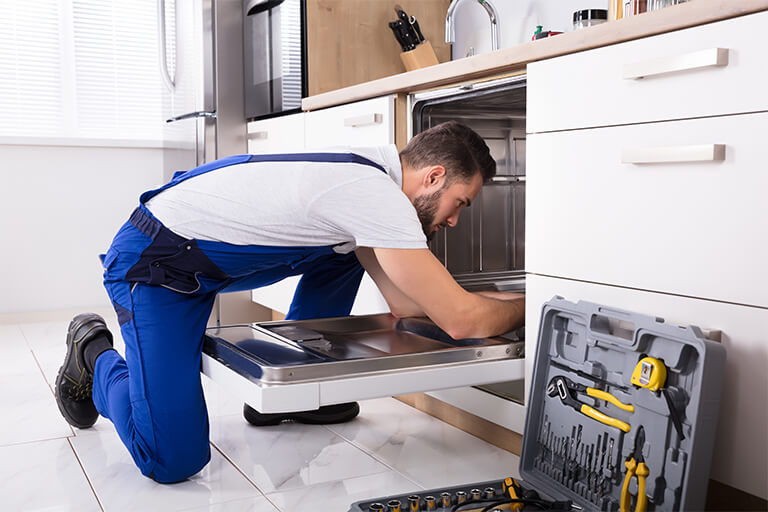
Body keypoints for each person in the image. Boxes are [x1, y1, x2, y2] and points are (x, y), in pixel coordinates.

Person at [54, 121, 525, 483]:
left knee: (344, 252)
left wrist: (475, 299)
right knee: (172, 459)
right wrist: (533, 298)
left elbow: (405, 304)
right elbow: (460, 321)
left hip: (206, 261)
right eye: (460, 203)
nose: (456, 220)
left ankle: (287, 397)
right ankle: (94, 360)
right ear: (434, 176)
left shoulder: (372, 180)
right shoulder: (375, 195)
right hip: (157, 269)